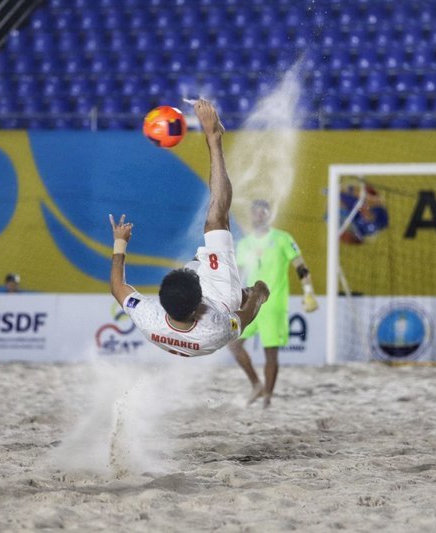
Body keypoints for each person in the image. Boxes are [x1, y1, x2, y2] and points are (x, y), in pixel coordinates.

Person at [109, 99, 270, 357]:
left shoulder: (149, 316)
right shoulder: (217, 328)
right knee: (216, 221)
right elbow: (246, 316)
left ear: (162, 303)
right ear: (198, 308)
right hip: (221, 297)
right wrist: (259, 293)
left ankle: (232, 286)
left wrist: (120, 241)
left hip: (190, 307)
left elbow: (118, 287)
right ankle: (214, 137)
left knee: (200, 257)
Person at [228, 200, 318, 408]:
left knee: (270, 353)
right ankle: (256, 384)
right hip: (251, 305)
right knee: (233, 343)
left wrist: (308, 291)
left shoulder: (282, 238)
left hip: (274, 304)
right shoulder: (244, 244)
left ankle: (267, 398)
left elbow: (300, 265)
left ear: (269, 215)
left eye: (263, 212)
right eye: (256, 212)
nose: (259, 215)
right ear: (251, 215)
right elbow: (237, 275)